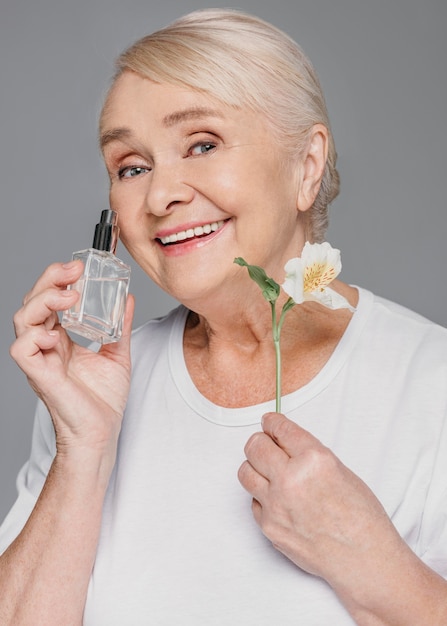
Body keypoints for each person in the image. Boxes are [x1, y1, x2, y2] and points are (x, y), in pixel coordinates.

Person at [1, 8, 446, 625]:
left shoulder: (431, 384)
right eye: (131, 167)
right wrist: (82, 448)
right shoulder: (94, 391)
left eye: (202, 144)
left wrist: (371, 560)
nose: (159, 197)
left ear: (306, 166)